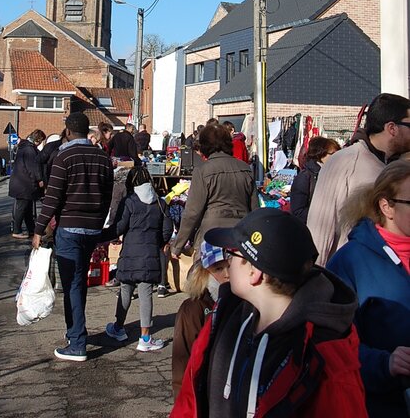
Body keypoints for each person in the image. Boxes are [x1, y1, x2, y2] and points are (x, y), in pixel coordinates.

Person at [171, 209, 368, 418]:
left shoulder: (321, 356)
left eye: (233, 255)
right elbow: (190, 401)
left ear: (254, 272)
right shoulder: (224, 316)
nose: (227, 263)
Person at [327, 160, 410, 418]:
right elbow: (331, 345)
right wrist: (386, 364)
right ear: (387, 207)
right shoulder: (349, 261)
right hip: (380, 405)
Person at [32, 112, 113, 362]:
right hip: (92, 229)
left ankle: (77, 341)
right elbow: (108, 194)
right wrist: (100, 222)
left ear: (67, 131)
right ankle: (75, 332)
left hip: (69, 228)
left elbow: (52, 198)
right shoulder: (102, 157)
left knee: (72, 285)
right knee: (79, 283)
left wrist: (38, 229)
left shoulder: (64, 156)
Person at [307, 92, 410, 264]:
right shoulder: (345, 161)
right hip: (349, 277)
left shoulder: (398, 166)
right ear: (392, 128)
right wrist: (314, 278)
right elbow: (320, 228)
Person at [102, 166, 173, 352]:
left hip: (129, 254)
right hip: (150, 255)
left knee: (125, 289)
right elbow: (167, 230)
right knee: (146, 292)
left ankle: (118, 327)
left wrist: (99, 236)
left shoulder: (129, 202)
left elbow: (118, 228)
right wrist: (158, 241)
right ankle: (145, 337)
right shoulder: (160, 203)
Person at [170, 123, 258, 259]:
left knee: (209, 277)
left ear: (205, 145)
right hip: (241, 235)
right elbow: (255, 209)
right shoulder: (245, 168)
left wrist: (177, 246)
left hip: (212, 234)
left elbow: (192, 212)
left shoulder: (203, 170)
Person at [171, 241, 230, 398]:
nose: (227, 274)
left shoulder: (243, 303)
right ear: (204, 272)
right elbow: (182, 361)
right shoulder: (193, 308)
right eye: (218, 268)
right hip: (203, 394)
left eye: (230, 266)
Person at [290, 136, 340, 223]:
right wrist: (324, 218)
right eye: (333, 154)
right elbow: (298, 210)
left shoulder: (335, 174)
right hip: (311, 228)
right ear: (320, 154)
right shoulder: (305, 177)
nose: (337, 157)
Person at [8, 129, 46, 239]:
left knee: (27, 208)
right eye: (41, 141)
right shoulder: (30, 150)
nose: (40, 144)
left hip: (20, 183)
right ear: (37, 140)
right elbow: (33, 168)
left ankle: (31, 230)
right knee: (22, 208)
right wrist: (40, 179)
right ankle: (17, 230)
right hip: (24, 184)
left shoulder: (23, 147)